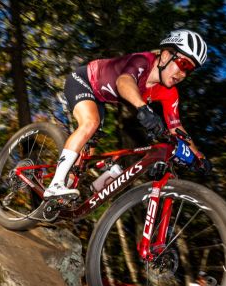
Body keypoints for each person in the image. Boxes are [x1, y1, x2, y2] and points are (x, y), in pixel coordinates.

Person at [44, 29, 213, 198]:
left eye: (189, 71)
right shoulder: (143, 60)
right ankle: (55, 184)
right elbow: (123, 82)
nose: (183, 74)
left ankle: (62, 194)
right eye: (184, 64)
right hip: (84, 80)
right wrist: (143, 108)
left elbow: (176, 127)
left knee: (86, 153)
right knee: (90, 123)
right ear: (166, 55)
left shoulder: (170, 92)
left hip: (101, 99)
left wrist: (198, 156)